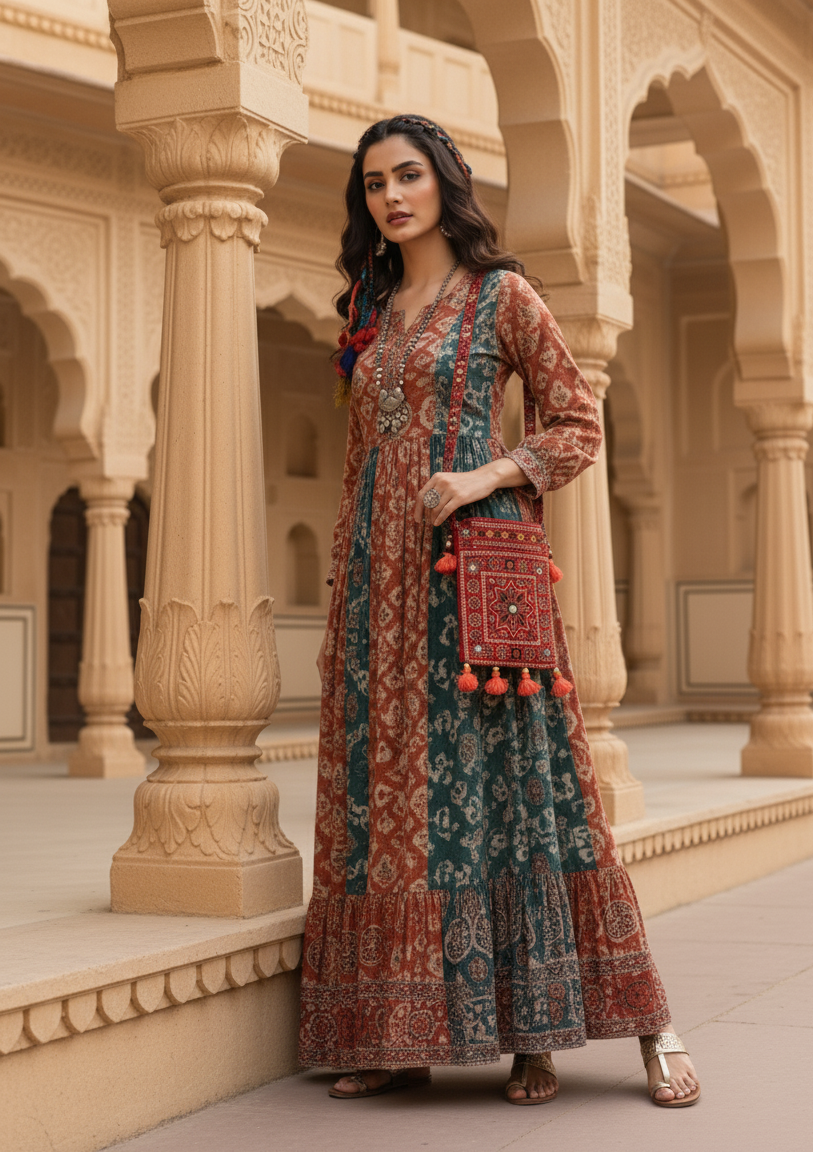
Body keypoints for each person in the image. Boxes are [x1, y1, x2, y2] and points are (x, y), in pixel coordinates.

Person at [299, 114, 700, 1109]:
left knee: (523, 788)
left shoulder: (502, 297)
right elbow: (361, 462)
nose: (391, 197)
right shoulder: (370, 309)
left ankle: (580, 1027)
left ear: (445, 182)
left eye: (408, 176)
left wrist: (487, 475)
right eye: (373, 184)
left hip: (476, 581)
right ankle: (399, 1032)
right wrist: (344, 590)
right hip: (377, 592)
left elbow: (576, 422)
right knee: (390, 800)